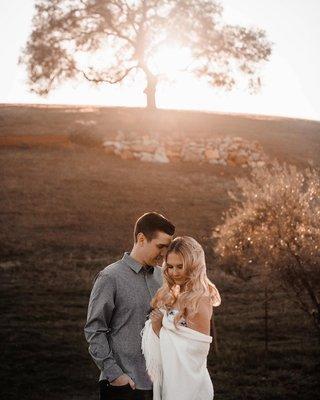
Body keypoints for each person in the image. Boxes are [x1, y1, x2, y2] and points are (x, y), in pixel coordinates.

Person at [84, 212, 175, 400]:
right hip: (124, 387)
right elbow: (94, 330)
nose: (164, 254)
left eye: (167, 248)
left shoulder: (164, 278)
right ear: (141, 239)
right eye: (160, 246)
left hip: (160, 388)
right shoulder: (110, 278)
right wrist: (115, 375)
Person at [141, 236, 221, 400]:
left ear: (193, 265)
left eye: (180, 266)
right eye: (170, 266)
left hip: (189, 389)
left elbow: (196, 351)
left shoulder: (200, 299)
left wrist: (159, 329)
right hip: (170, 383)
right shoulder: (175, 294)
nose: (174, 272)